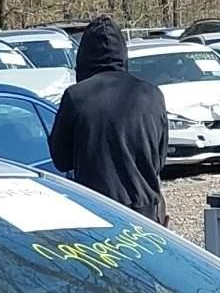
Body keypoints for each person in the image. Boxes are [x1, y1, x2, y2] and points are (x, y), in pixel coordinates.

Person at [48, 17, 169, 223]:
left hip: (97, 211)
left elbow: (61, 160)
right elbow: (159, 160)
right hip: (146, 213)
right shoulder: (152, 94)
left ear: (83, 56)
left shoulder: (76, 97)